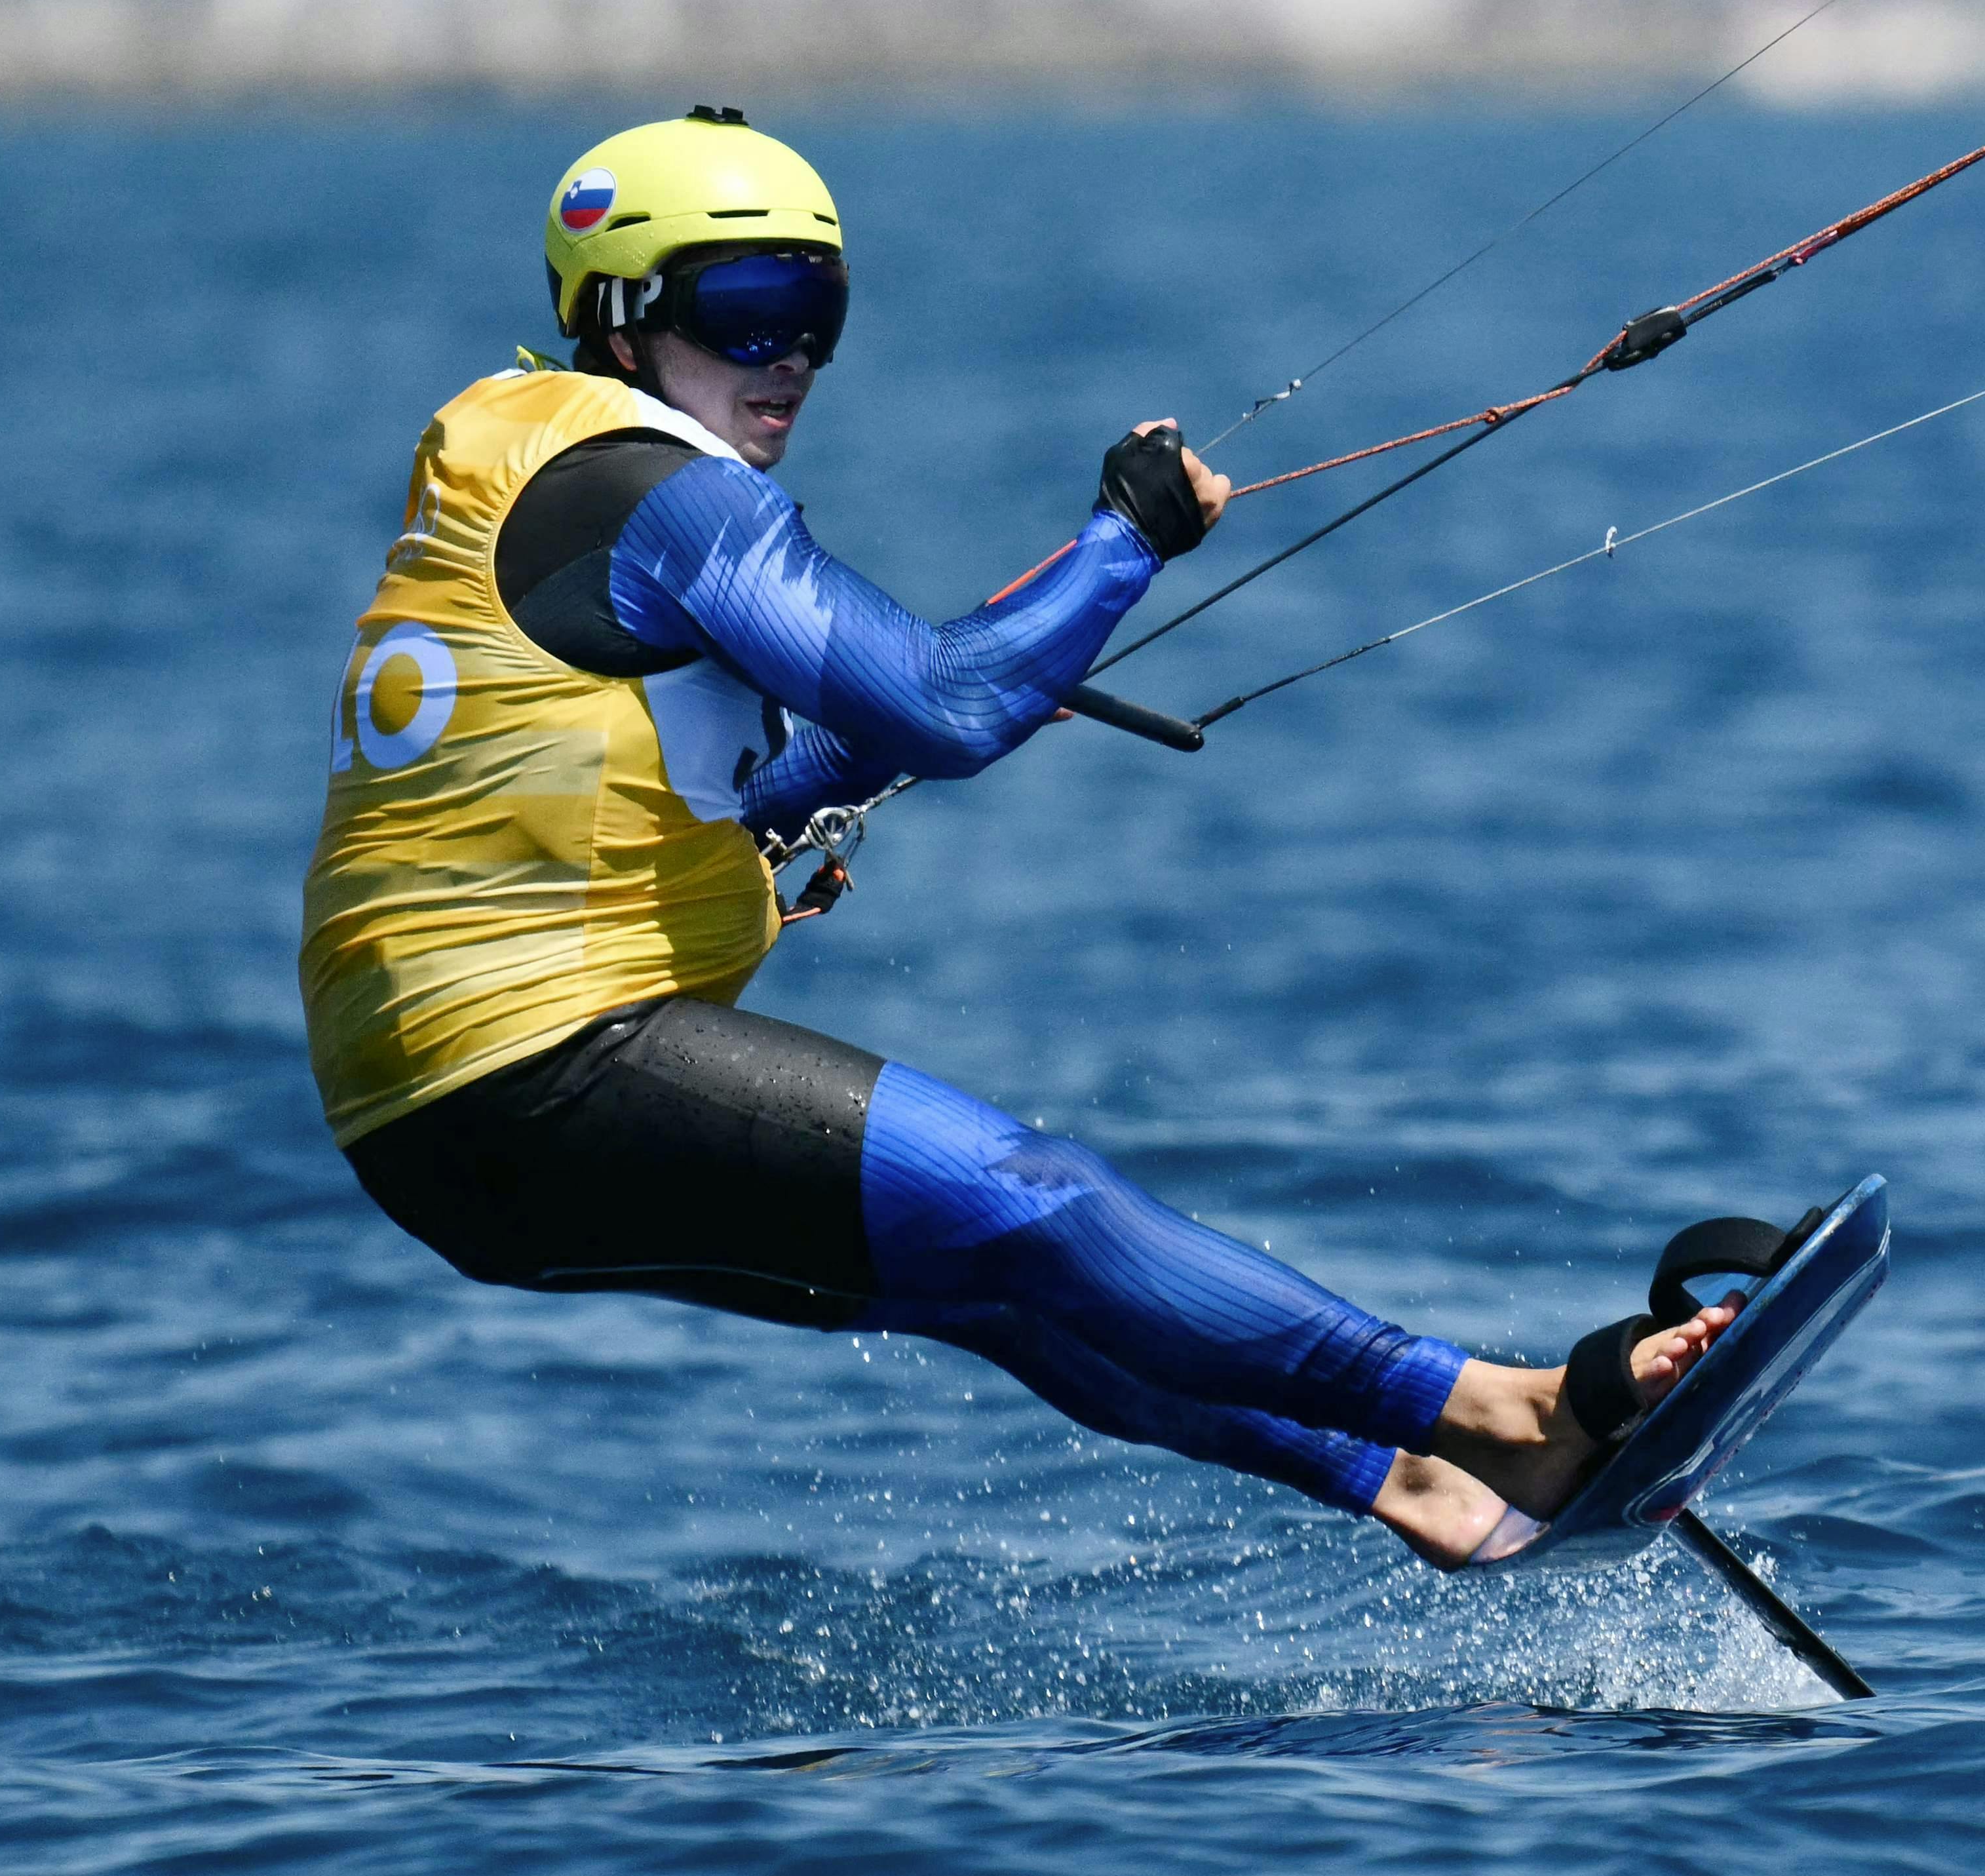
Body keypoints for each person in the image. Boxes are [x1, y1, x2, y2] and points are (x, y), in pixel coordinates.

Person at [300, 106, 1741, 1571]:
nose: (789, 357)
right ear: (619, 319)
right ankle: (1506, 1409)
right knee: (1026, 1196)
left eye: (817, 313)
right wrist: (1127, 534)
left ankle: (1418, 1485)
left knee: (998, 1284)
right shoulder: (642, 489)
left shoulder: (534, 467)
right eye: (747, 314)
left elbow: (752, 782)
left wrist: (986, 676)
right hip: (529, 1071)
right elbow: (946, 707)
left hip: (429, 1136)